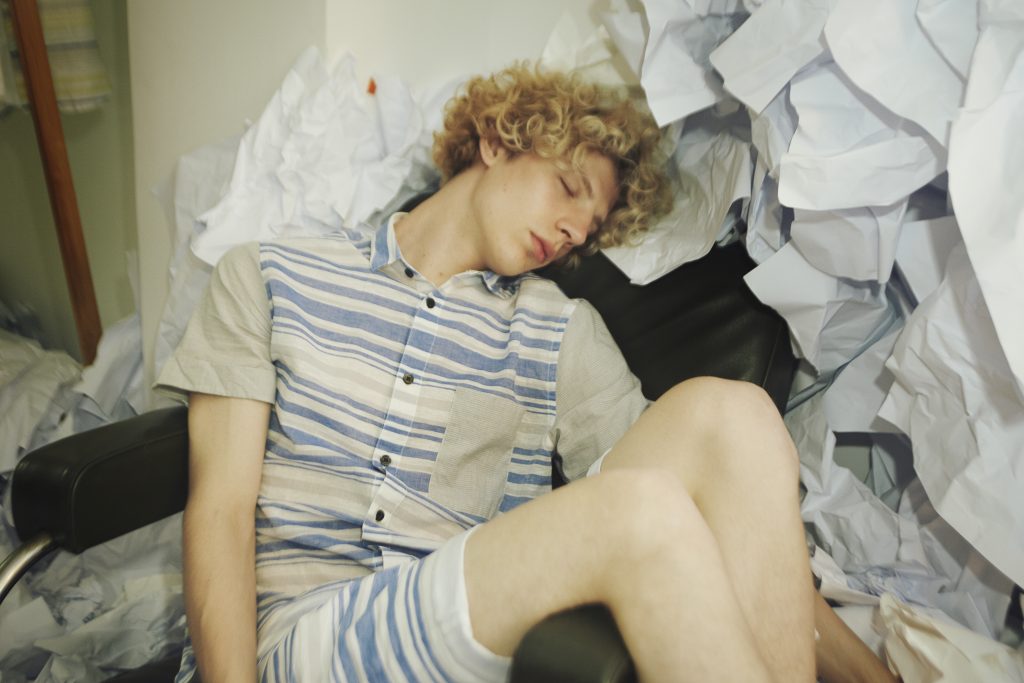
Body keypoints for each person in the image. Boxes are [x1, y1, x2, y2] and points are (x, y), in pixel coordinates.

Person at [158, 63, 895, 682]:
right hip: (297, 643)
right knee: (639, 509)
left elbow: (718, 496)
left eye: (589, 228)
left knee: (738, 415)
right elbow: (220, 511)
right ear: (495, 141)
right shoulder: (272, 275)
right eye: (569, 187)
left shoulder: (560, 330)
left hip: (465, 637)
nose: (574, 230)